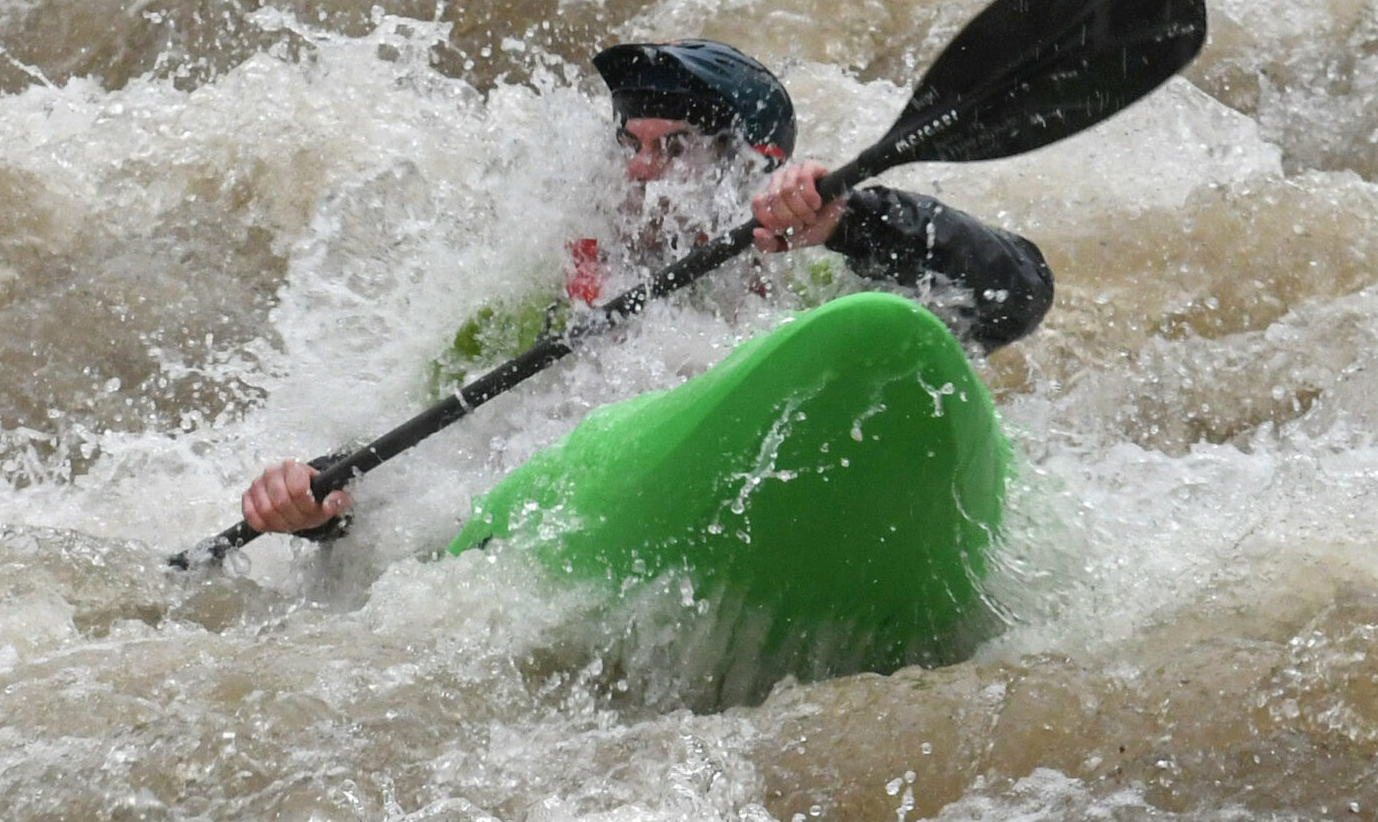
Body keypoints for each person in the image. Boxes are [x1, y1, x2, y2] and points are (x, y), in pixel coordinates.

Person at [240, 40, 1054, 537]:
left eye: (673, 149)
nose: (635, 170)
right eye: (629, 144)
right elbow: (418, 483)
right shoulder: (549, 298)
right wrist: (322, 514)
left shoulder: (824, 272)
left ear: (753, 167)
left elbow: (1019, 296)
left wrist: (852, 220)